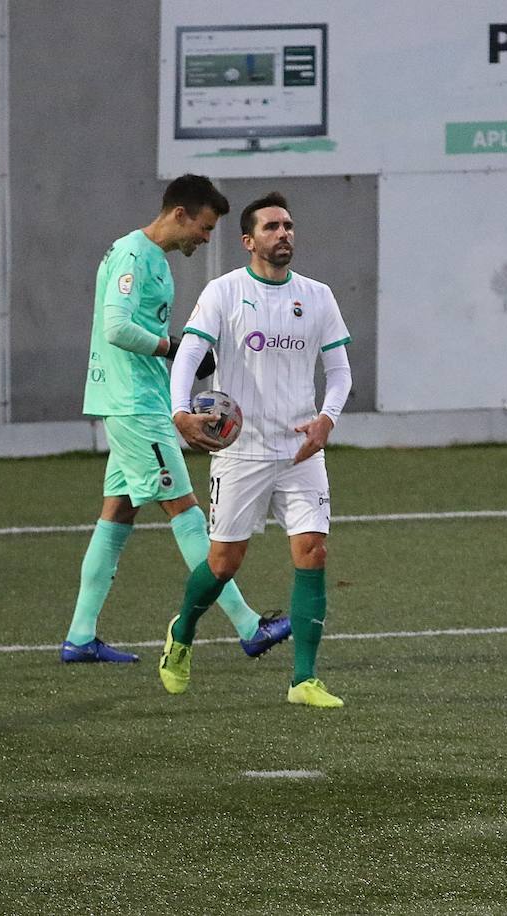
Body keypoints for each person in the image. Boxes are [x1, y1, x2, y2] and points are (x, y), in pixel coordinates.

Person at [63, 175, 291, 664]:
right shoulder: (133, 255)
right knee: (185, 511)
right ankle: (249, 627)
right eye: (205, 228)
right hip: (134, 403)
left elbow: (138, 326)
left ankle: (80, 637)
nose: (206, 238)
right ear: (180, 214)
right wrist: (171, 349)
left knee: (118, 513)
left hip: (133, 398)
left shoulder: (156, 262)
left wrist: (183, 352)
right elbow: (116, 326)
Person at [161, 191, 352, 708]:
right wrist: (181, 411)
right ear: (248, 240)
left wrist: (327, 420)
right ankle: (182, 634)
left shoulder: (318, 296)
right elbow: (189, 354)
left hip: (300, 450)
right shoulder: (223, 293)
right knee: (224, 562)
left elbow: (338, 371)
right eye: (271, 227)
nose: (283, 233)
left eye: (288, 225)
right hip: (240, 451)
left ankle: (304, 680)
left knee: (312, 553)